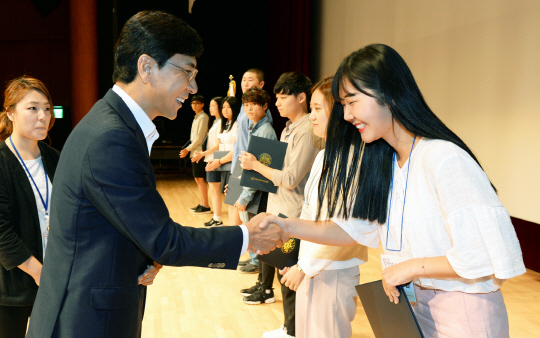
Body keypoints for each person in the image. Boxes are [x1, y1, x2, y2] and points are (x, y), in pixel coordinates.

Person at [25, 11, 287, 338]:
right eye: (187, 72)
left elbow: (110, 225)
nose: (193, 87)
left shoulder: (113, 124)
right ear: (147, 67)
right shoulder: (112, 137)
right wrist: (248, 236)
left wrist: (142, 257)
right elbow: (164, 239)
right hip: (84, 321)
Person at [254, 44, 526, 338]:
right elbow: (352, 229)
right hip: (412, 310)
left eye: (352, 102)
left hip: (463, 315)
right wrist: (285, 225)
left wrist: (410, 268)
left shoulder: (443, 158)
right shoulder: (387, 163)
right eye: (342, 105)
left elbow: (484, 255)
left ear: (390, 95)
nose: (346, 116)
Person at [279, 77, 368, 338]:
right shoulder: (324, 155)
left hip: (334, 272)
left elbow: (342, 228)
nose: (311, 116)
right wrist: (296, 260)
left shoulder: (352, 160)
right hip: (313, 265)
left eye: (318, 109)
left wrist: (304, 266)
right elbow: (310, 215)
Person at [240, 72, 319, 338]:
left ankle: (294, 331)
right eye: (277, 97)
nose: (278, 103)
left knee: (291, 276)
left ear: (302, 97)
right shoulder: (287, 128)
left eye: (284, 97)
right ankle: (289, 327)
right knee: (284, 272)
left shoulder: (307, 129)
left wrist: (255, 166)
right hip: (280, 209)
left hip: (293, 213)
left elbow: (290, 178)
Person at [0, 77, 60, 338]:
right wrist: (39, 272)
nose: (43, 116)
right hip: (13, 287)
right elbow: (2, 232)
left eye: (47, 109)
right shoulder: (2, 161)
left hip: (55, 280)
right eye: (32, 108)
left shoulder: (54, 157)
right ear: (10, 113)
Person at [232, 68, 274, 273]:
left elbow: (259, 169)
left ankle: (257, 262)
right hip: (247, 178)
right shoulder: (255, 127)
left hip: (257, 186)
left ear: (265, 106)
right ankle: (253, 258)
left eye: (253, 105)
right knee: (247, 219)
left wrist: (245, 195)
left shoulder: (265, 130)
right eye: (246, 105)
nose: (249, 109)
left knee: (255, 222)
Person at [205, 96, 241, 226]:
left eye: (228, 107)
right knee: (228, 199)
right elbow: (219, 146)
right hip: (225, 165)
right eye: (223, 107)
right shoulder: (224, 124)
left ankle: (237, 229)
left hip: (235, 165)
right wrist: (213, 160)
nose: (225, 110)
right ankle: (232, 228)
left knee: (234, 200)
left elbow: (237, 150)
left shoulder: (238, 125)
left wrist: (218, 161)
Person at [192, 96, 224, 226]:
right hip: (211, 158)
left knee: (215, 190)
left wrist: (203, 153)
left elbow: (217, 145)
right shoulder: (216, 121)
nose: (210, 108)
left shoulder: (221, 122)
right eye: (210, 106)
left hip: (215, 158)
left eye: (213, 106)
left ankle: (217, 218)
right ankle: (217, 218)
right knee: (213, 189)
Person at [180, 95, 210, 214]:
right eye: (193, 103)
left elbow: (198, 138)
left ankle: (206, 205)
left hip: (199, 152)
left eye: (197, 103)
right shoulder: (197, 117)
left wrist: (187, 149)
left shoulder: (203, 117)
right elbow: (193, 138)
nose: (194, 106)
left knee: (200, 178)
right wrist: (187, 149)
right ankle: (202, 203)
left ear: (202, 104)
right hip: (194, 151)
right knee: (197, 179)